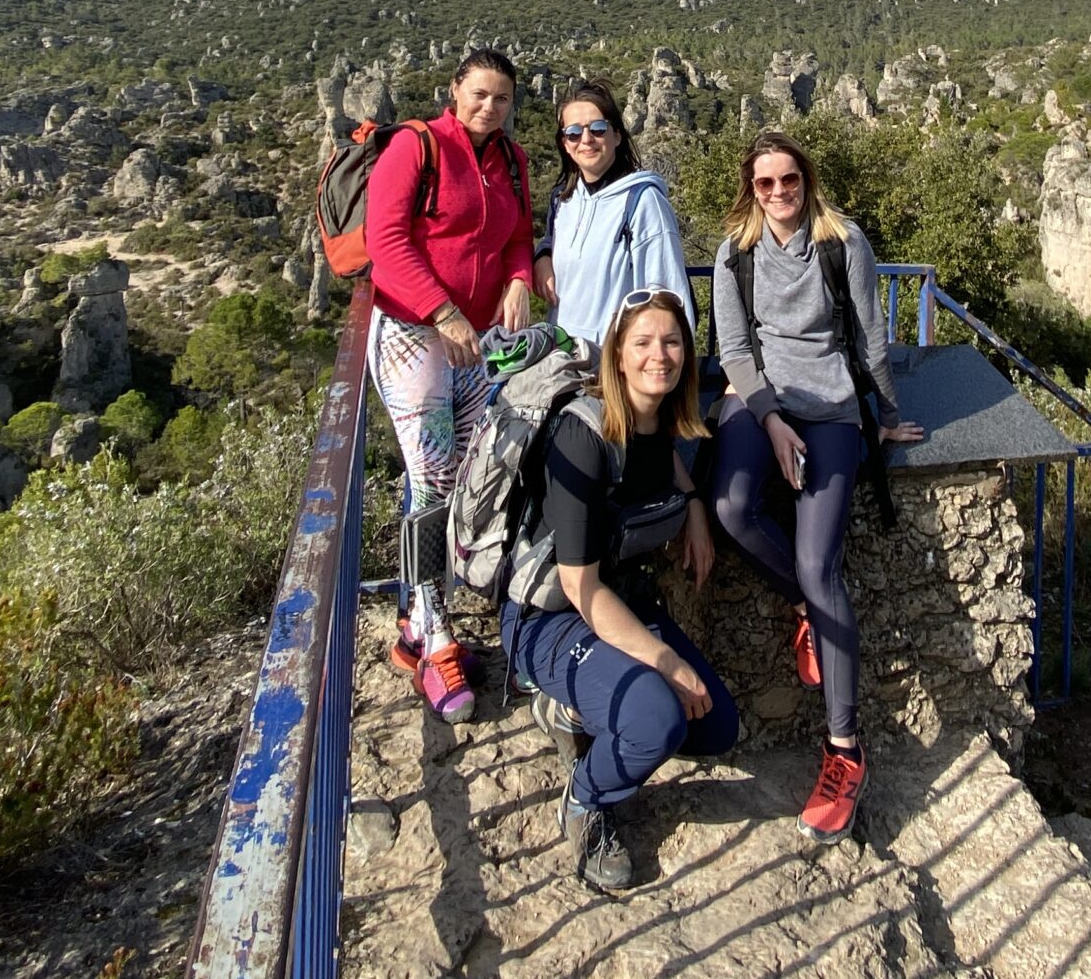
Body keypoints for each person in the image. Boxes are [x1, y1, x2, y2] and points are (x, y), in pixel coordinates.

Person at [707, 130, 925, 841]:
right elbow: (735, 351)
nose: (778, 194)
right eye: (765, 183)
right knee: (733, 506)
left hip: (831, 408)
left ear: (807, 181)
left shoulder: (842, 242)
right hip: (759, 400)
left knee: (817, 563)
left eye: (789, 180)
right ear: (751, 189)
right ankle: (807, 609)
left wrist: (885, 418)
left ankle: (844, 748)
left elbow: (868, 338)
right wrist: (768, 420)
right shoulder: (734, 253)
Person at [505, 289, 735, 893]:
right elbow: (580, 586)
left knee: (714, 728)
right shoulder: (582, 437)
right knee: (658, 719)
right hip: (549, 618)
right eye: (643, 343)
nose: (660, 355)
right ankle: (585, 800)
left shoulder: (658, 422)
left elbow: (664, 463)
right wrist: (664, 661)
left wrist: (694, 509)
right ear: (618, 355)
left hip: (621, 603)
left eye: (672, 340)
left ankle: (574, 708)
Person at [363, 46, 537, 722]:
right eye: (480, 94)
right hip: (415, 336)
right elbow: (387, 240)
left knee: (469, 476)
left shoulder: (512, 162)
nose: (490, 107)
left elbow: (517, 236)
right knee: (433, 481)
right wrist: (440, 310)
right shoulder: (416, 147)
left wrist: (520, 276)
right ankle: (434, 641)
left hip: (477, 344)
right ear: (454, 90)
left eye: (502, 98)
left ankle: (417, 618)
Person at [533, 78, 693, 350]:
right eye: (573, 132)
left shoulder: (642, 201)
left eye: (597, 128)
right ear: (564, 144)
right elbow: (551, 239)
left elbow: (667, 292)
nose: (586, 139)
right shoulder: (563, 199)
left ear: (616, 135)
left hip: (614, 367)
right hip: (562, 361)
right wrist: (542, 256)